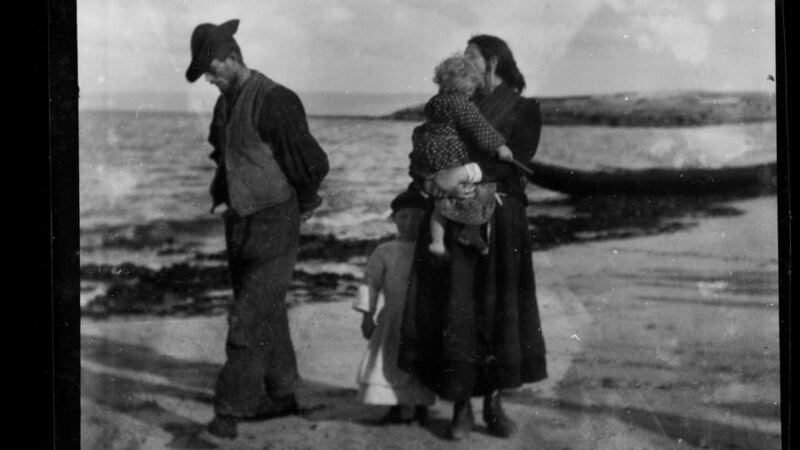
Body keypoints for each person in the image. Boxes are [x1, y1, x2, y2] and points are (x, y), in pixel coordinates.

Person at [184, 19, 329, 439]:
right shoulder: (224, 103)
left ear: (233, 58)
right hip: (239, 222)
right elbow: (222, 150)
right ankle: (283, 393)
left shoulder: (277, 100)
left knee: (248, 315)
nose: (209, 79)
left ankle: (227, 414)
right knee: (266, 307)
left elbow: (311, 163)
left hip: (275, 221)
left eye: (211, 70)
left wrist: (301, 206)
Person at [398, 34, 547, 441]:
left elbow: (517, 164)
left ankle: (493, 403)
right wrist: (431, 181)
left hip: (502, 217)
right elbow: (424, 153)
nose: (463, 64)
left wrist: (464, 174)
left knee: (496, 311)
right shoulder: (454, 101)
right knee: (458, 309)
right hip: (453, 212)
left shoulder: (523, 109)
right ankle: (461, 405)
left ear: (493, 63)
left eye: (471, 57)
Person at [408, 54, 514, 257]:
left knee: (442, 198)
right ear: (466, 86)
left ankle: (437, 241)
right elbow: (479, 127)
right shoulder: (462, 104)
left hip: (427, 151)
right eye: (472, 87)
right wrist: (500, 146)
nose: (472, 91)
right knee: (477, 188)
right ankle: (470, 231)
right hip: (449, 152)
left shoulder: (434, 101)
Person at [352, 190, 435, 424]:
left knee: (421, 364)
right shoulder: (384, 251)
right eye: (404, 216)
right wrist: (367, 316)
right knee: (388, 361)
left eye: (417, 217)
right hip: (392, 318)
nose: (410, 223)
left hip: (422, 318)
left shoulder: (431, 249)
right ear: (394, 219)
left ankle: (421, 407)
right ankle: (395, 407)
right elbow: (370, 284)